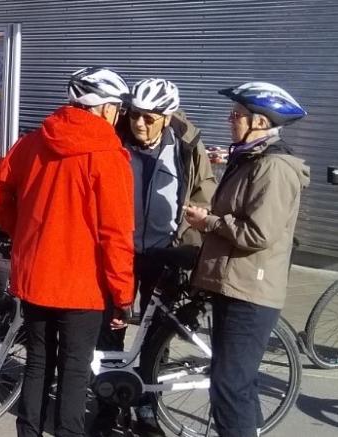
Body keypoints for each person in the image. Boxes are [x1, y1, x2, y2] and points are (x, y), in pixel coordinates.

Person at [0, 66, 135, 437]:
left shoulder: (33, 143)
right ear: (103, 108)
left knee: (37, 363)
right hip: (83, 286)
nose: (119, 116)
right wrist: (123, 295)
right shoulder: (109, 156)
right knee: (74, 370)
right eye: (118, 108)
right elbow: (116, 235)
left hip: (36, 276)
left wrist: (24, 232)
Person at [184, 82, 309, 437]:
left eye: (237, 115)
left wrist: (207, 221)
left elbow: (258, 234)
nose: (230, 119)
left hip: (250, 293)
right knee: (236, 384)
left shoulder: (274, 168)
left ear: (260, 123)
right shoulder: (251, 159)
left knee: (229, 388)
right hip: (235, 285)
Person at [94, 78, 217, 436]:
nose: (139, 124)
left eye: (149, 118)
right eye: (134, 115)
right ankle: (106, 407)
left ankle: (146, 409)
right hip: (119, 251)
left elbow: (202, 196)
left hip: (162, 251)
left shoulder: (188, 145)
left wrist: (187, 247)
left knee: (154, 340)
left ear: (166, 117)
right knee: (110, 331)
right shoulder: (113, 138)